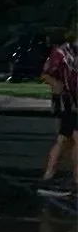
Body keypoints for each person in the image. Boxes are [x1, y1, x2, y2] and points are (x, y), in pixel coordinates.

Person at [38, 30, 77, 197]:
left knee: (64, 139)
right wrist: (57, 86)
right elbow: (46, 74)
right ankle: (76, 181)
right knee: (75, 139)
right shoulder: (62, 53)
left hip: (70, 102)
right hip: (70, 102)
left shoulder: (66, 53)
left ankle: (48, 176)